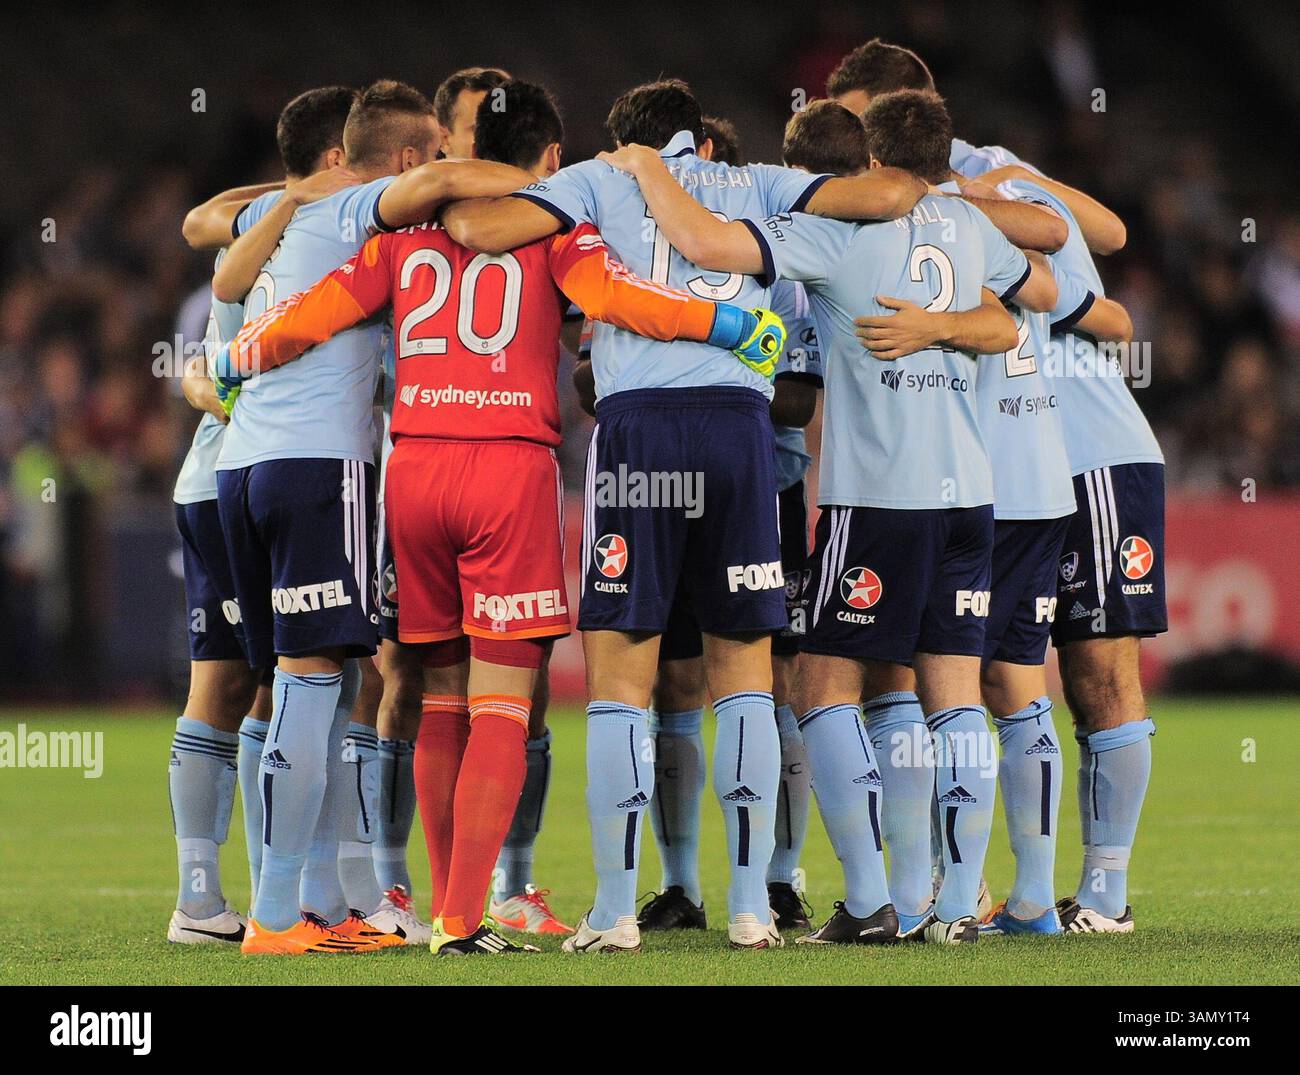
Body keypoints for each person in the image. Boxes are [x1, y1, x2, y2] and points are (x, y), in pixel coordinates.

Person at [216, 79, 787, 955]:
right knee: (502, 708)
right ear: (550, 158)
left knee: (435, 698)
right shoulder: (555, 227)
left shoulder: (402, 233)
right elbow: (621, 298)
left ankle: (424, 901)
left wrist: (237, 355)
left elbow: (317, 309)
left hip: (415, 470)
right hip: (506, 472)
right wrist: (727, 323)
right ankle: (461, 917)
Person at [442, 77, 926, 953]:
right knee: (743, 671)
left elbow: (479, 229)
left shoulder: (597, 179)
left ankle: (616, 911)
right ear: (700, 142)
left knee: (623, 677)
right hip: (741, 437)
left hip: (642, 439)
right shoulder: (758, 182)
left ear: (625, 138)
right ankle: (749, 907)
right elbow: (892, 194)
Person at [598, 93, 1062, 944]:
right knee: (953, 696)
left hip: (880, 494)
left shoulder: (841, 235)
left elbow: (704, 243)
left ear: (870, 162)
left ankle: (870, 899)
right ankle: (951, 905)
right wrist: (945, 325)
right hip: (971, 493)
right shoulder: (966, 225)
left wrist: (648, 170)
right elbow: (1030, 301)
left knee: (819, 686)